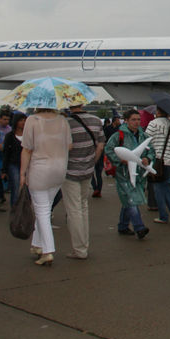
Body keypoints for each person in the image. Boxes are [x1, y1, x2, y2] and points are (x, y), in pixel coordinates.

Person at [20, 106, 73, 266]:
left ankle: (47, 250)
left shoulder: (33, 120)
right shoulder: (63, 120)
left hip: (40, 169)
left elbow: (27, 149)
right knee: (45, 207)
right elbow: (69, 145)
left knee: (42, 211)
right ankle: (37, 244)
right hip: (59, 169)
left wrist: (22, 173)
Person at [63, 104, 105, 259]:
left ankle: (79, 249)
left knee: (73, 210)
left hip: (70, 170)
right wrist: (92, 162)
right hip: (88, 170)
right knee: (83, 207)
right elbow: (100, 146)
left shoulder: (66, 123)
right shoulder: (96, 121)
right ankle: (84, 245)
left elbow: (65, 147)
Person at [104, 109, 152, 239]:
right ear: (126, 120)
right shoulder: (118, 135)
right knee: (131, 199)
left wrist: (148, 158)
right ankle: (139, 227)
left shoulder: (144, 136)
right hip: (123, 174)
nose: (136, 122)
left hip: (139, 173)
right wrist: (120, 160)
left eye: (138, 119)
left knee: (128, 200)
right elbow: (108, 149)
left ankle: (123, 226)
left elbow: (150, 150)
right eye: (133, 120)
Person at [144, 107, 170, 224]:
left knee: (158, 189)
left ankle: (164, 216)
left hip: (157, 161)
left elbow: (146, 140)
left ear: (158, 112)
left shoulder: (152, 124)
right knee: (164, 185)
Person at [94, 115, 120, 198]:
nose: (119, 121)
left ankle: (97, 189)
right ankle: (96, 189)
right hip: (105, 149)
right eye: (118, 119)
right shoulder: (107, 128)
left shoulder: (118, 128)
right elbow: (103, 140)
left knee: (97, 172)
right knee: (98, 172)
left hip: (112, 148)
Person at [2, 113, 26, 206]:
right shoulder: (10, 136)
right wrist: (4, 170)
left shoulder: (29, 135)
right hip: (14, 164)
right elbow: (6, 153)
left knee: (27, 189)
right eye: (21, 120)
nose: (23, 122)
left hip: (27, 164)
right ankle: (15, 212)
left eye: (24, 120)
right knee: (15, 188)